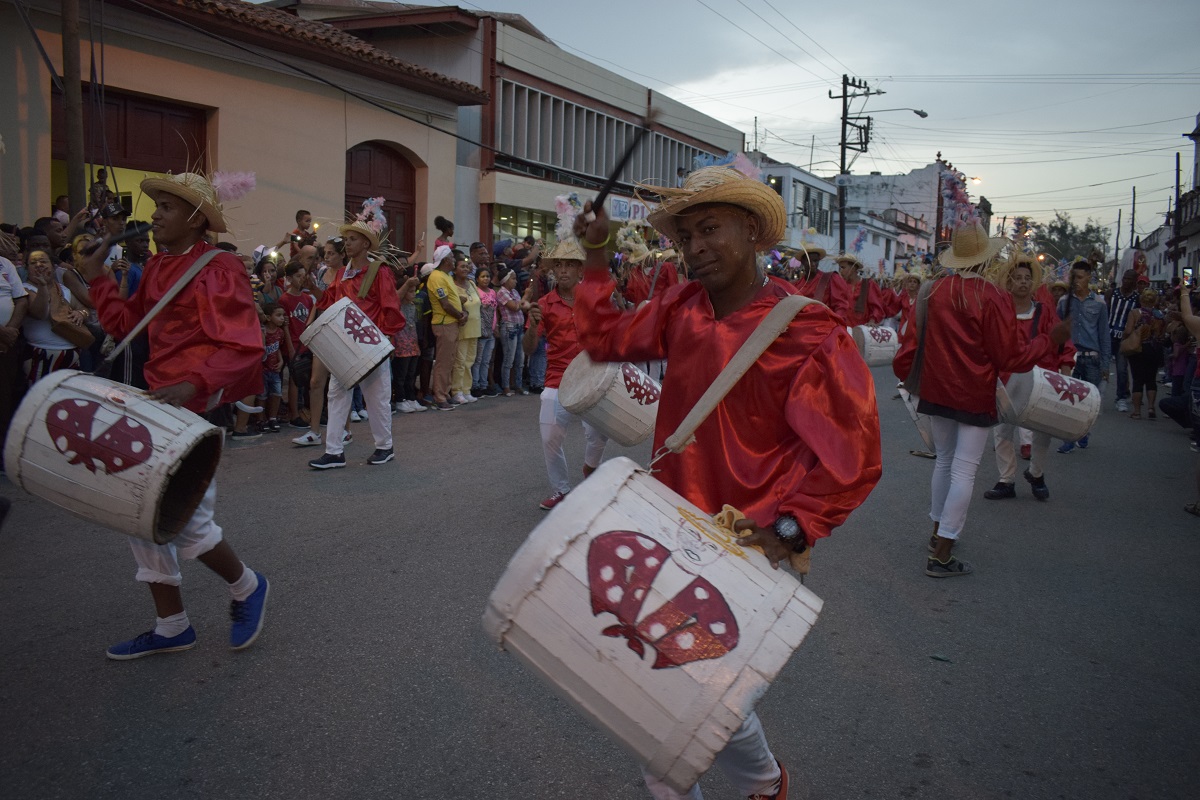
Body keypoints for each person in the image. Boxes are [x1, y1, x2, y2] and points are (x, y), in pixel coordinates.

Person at [573, 166, 882, 800]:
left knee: (702, 699)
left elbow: (853, 455)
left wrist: (789, 529)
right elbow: (602, 338)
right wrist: (599, 256)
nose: (696, 248)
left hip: (747, 548)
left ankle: (764, 785)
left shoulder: (809, 329)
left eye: (710, 229)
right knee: (674, 698)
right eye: (686, 236)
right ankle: (764, 787)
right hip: (667, 528)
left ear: (753, 230)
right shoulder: (680, 307)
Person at [77, 170, 269, 660]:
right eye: (156, 205)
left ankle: (247, 587)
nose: (155, 215)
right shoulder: (160, 266)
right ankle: (172, 625)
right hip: (157, 403)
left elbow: (245, 345)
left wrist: (193, 383)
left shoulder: (219, 267)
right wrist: (98, 278)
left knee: (187, 524)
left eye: (166, 206)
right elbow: (125, 326)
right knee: (138, 514)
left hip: (195, 408)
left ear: (197, 219)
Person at [895, 221, 1070, 577]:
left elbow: (911, 344)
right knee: (963, 469)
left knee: (944, 462)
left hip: (935, 389)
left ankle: (936, 535)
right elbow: (1010, 357)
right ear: (984, 259)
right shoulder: (992, 297)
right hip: (973, 394)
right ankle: (942, 552)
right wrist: (1048, 342)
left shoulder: (932, 291)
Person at [307, 202, 405, 469]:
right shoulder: (341, 274)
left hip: (370, 345)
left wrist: (384, 341)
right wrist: (311, 289)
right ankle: (334, 451)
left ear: (365, 245)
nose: (347, 244)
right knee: (336, 394)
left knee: (377, 398)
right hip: (344, 343)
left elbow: (391, 308)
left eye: (352, 240)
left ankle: (384, 447)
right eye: (346, 240)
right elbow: (327, 302)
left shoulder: (379, 271)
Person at [525, 235, 608, 512]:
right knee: (549, 436)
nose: (562, 270)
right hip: (557, 378)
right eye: (558, 265)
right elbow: (528, 349)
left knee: (598, 435)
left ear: (580, 269)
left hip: (592, 376)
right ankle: (561, 490)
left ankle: (590, 467)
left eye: (569, 265)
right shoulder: (545, 304)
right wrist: (531, 326)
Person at [984, 254, 1074, 501]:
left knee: (1042, 430)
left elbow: (1062, 341)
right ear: (1009, 282)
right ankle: (1006, 480)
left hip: (1041, 381)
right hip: (1004, 380)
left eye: (1027, 278)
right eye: (1017, 278)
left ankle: (1036, 472)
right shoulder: (999, 311)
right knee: (1003, 431)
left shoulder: (1045, 312)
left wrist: (1066, 369)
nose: (1023, 282)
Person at [1056, 261, 1110, 453]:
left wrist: (1105, 365)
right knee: (1068, 398)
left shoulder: (1099, 303)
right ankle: (1068, 438)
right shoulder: (1064, 302)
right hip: (1070, 356)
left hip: (1091, 358)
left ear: (1089, 277)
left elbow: (1104, 335)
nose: (1076, 281)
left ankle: (1084, 432)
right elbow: (1057, 331)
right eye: (1073, 278)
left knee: (1088, 401)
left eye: (1080, 277)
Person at [20, 249, 87, 381]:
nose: (39, 265)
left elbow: (83, 308)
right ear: (27, 268)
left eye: (43, 261)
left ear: (53, 266)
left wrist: (80, 313)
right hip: (40, 355)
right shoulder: (24, 289)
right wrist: (43, 286)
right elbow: (39, 313)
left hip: (71, 354)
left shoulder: (63, 289)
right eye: (33, 263)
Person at [426, 244, 464, 411]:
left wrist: (462, 314)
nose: (455, 260)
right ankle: (439, 396)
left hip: (452, 323)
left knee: (450, 361)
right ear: (446, 260)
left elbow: (454, 300)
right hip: (444, 323)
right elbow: (445, 304)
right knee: (443, 362)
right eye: (452, 258)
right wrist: (460, 315)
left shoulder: (445, 275)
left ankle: (445, 393)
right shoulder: (436, 277)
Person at [1123, 287, 1165, 420]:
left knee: (1138, 379)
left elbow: (1128, 331)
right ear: (1155, 300)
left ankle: (1137, 411)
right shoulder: (1160, 314)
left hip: (1139, 349)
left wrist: (1124, 338)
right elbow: (1162, 334)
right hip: (1155, 349)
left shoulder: (1135, 313)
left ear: (1141, 299)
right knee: (1151, 380)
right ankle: (1151, 407)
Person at [1107, 269, 1141, 412]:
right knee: (1101, 366)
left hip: (1124, 338)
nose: (1126, 281)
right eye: (1125, 278)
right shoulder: (1111, 293)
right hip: (1108, 335)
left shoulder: (1137, 298)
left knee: (1121, 370)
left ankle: (1121, 397)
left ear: (1134, 282)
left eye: (1130, 279)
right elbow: (1105, 312)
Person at [837, 253, 900, 327]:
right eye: (840, 268)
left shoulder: (868, 284)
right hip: (843, 328)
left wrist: (872, 321)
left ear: (853, 268)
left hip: (862, 330)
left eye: (843, 267)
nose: (840, 271)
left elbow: (877, 307)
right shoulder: (840, 285)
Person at [450, 255, 481, 405]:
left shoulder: (472, 284)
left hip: (475, 328)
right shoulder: (452, 285)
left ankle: (467, 390)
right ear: (454, 270)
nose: (466, 269)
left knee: (470, 361)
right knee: (460, 361)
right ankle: (457, 391)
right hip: (462, 328)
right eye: (462, 266)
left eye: (467, 266)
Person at [791, 245, 851, 322]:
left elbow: (840, 305)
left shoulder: (830, 279)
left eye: (815, 261)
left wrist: (837, 321)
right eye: (809, 261)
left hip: (824, 324)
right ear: (802, 262)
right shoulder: (796, 285)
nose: (813, 264)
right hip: (800, 324)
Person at [259, 303, 293, 433]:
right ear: (268, 317)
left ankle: (272, 418)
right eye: (278, 315)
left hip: (275, 370)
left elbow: (277, 347)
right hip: (263, 370)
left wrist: (281, 360)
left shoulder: (280, 332)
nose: (282, 318)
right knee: (262, 396)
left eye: (283, 315)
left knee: (277, 394)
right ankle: (261, 419)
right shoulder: (263, 332)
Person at [496, 267, 526, 396]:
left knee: (520, 359)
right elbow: (515, 307)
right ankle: (506, 386)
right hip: (509, 327)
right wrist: (526, 296)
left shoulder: (514, 291)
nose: (515, 281)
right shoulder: (502, 292)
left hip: (519, 326)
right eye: (513, 278)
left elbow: (523, 307)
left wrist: (522, 301)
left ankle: (518, 385)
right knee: (509, 358)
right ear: (506, 280)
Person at [472, 267, 500, 397]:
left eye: (488, 276)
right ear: (477, 278)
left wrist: (496, 326)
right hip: (480, 330)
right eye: (483, 276)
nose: (486, 279)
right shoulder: (476, 292)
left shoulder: (493, 292)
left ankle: (484, 385)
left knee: (486, 360)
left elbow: (495, 312)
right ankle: (475, 385)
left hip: (491, 330)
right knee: (478, 360)